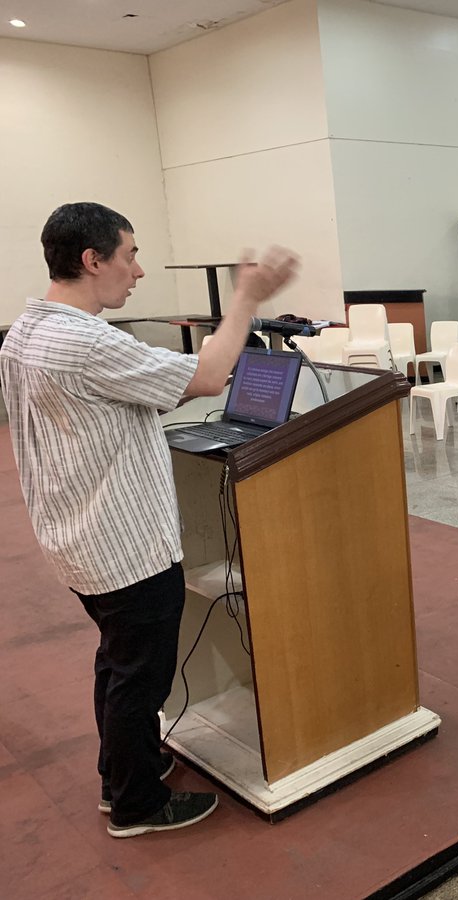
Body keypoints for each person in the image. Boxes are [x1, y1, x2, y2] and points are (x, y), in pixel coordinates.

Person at [0, 203, 299, 837]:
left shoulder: (26, 331)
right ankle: (136, 804)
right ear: (92, 260)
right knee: (140, 677)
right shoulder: (86, 341)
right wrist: (246, 298)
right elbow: (209, 376)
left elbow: (96, 406)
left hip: (75, 538)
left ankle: (122, 771)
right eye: (130, 255)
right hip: (123, 545)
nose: (137, 272)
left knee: (118, 664)